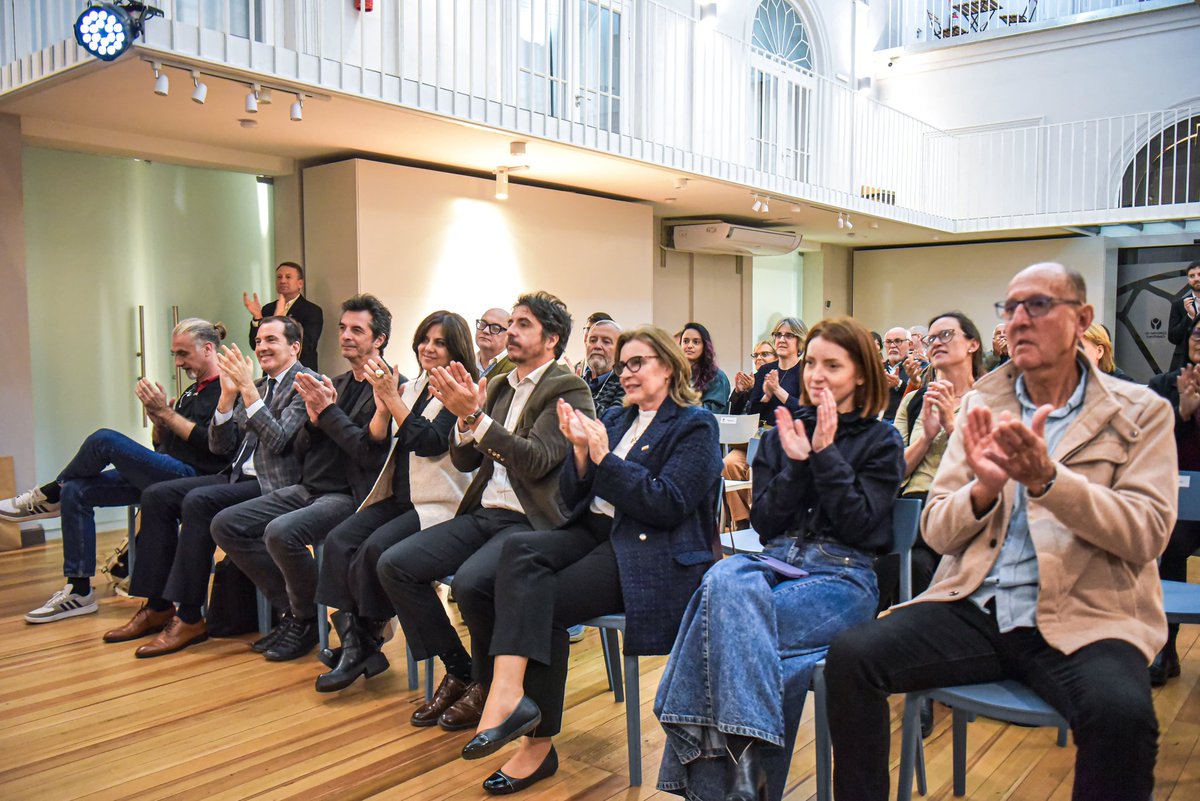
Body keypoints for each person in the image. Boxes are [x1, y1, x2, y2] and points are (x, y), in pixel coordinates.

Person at [826, 263, 1177, 801]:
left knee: (1123, 715)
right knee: (852, 658)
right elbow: (938, 531)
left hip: (1085, 616)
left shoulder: (1139, 411)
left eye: (1037, 305)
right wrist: (982, 492)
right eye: (1009, 308)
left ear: (1082, 319)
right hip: (976, 606)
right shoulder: (981, 406)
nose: (1018, 320)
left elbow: (1147, 534)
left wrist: (1048, 481)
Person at [452, 325, 723, 794]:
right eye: (623, 366)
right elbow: (573, 497)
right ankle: (507, 693)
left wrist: (602, 456)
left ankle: (533, 742)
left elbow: (666, 504)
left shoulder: (694, 425)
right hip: (595, 532)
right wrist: (580, 455)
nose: (627, 372)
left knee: (542, 600)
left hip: (648, 550)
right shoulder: (616, 419)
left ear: (669, 366)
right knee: (518, 550)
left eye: (637, 362)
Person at [656, 317, 903, 801]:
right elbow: (765, 525)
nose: (816, 374)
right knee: (724, 575)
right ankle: (746, 770)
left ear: (860, 374)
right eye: (811, 362)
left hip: (843, 577)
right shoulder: (780, 435)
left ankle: (727, 772)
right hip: (774, 563)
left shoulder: (881, 440)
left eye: (833, 364)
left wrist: (825, 456)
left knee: (720, 619)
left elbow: (863, 528)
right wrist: (796, 466)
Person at [375, 291, 595, 732]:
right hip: (485, 512)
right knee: (395, 565)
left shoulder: (567, 388)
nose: (510, 331)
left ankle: (486, 683)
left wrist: (474, 418)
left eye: (523, 324)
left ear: (552, 339)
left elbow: (535, 460)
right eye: (509, 322)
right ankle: (460, 669)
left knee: (474, 584)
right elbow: (465, 461)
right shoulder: (498, 385)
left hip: (531, 520)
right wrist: (462, 421)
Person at [103, 317, 312, 656]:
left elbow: (278, 441)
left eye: (271, 340)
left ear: (295, 347)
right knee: (157, 495)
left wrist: (246, 391)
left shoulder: (306, 383)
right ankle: (157, 605)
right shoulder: (257, 385)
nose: (261, 347)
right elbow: (219, 446)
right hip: (235, 475)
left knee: (199, 502)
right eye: (258, 341)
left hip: (274, 484)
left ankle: (189, 616)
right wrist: (227, 401)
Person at [210, 296, 394, 661]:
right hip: (308, 487)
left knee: (280, 533)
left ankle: (306, 618)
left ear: (380, 340)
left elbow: (365, 452)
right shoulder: (335, 382)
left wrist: (325, 412)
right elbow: (303, 446)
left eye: (357, 330)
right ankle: (296, 611)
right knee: (225, 524)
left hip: (349, 495)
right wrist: (314, 419)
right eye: (342, 328)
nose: (346, 336)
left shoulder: (387, 386)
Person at [12, 319, 230, 624]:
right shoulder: (191, 392)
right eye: (174, 355)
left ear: (208, 349)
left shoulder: (228, 389)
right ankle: (79, 590)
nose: (178, 362)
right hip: (170, 470)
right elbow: (163, 447)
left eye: (183, 354)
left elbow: (214, 448)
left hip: (197, 477)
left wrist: (167, 414)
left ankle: (48, 494)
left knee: (104, 439)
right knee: (78, 491)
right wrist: (159, 422)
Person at [312, 310, 477, 692]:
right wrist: (384, 408)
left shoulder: (460, 387)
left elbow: (431, 441)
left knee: (374, 550)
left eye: (439, 342)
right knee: (340, 539)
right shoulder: (416, 384)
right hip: (399, 494)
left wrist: (390, 397)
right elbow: (379, 443)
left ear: (456, 348)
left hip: (436, 502)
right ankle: (358, 641)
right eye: (425, 339)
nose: (428, 348)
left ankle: (364, 642)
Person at [1147, 312, 1200, 685]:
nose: (1199, 337)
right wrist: (1182, 413)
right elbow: (1146, 439)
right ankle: (1165, 651)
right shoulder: (1163, 384)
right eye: (1197, 331)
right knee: (1171, 546)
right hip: (1179, 497)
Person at [724, 320, 806, 527]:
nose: (781, 340)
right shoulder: (766, 370)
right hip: (759, 438)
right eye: (778, 335)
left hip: (790, 441)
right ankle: (742, 522)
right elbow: (752, 411)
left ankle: (768, 522)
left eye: (788, 335)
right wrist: (766, 397)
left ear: (800, 341)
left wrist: (778, 391)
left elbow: (805, 411)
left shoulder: (805, 370)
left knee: (761, 468)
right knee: (730, 463)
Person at [244, 261, 324, 371]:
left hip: (300, 375)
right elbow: (255, 345)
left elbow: (306, 346)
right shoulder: (268, 309)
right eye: (279, 277)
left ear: (300, 283)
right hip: (271, 374)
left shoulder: (312, 310)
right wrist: (257, 317)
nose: (283, 281)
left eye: (288, 277)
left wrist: (280, 320)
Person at [677, 322, 731, 413]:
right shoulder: (674, 373)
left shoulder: (717, 377)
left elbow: (710, 413)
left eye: (696, 342)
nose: (689, 346)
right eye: (685, 341)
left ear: (704, 346)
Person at [580, 318, 625, 417]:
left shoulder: (625, 383)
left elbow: (609, 422)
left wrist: (575, 389)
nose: (597, 346)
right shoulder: (580, 380)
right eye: (592, 340)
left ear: (620, 350)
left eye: (606, 342)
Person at [1168, 260, 1200, 372]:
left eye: (1199, 274)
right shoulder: (1180, 304)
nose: (1196, 278)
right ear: (1188, 280)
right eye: (1192, 276)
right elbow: (1173, 338)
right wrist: (1189, 316)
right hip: (1183, 365)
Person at [882, 327, 913, 423]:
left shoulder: (918, 367)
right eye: (888, 342)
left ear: (910, 344)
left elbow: (919, 396)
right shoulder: (877, 367)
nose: (892, 346)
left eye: (898, 341)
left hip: (905, 421)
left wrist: (899, 384)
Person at [476, 307, 516, 380]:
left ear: (509, 334)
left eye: (495, 328)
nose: (485, 331)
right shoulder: (466, 361)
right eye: (483, 324)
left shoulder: (514, 370)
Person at [574, 311, 614, 377]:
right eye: (588, 329)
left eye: (606, 341)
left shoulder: (621, 376)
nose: (597, 345)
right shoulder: (572, 370)